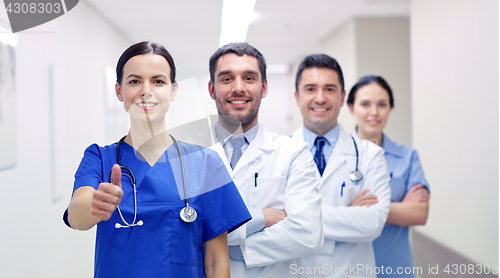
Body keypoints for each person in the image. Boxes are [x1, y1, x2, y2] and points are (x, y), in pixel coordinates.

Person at [62, 41, 251, 278]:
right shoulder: (100, 159)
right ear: (119, 91)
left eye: (158, 81)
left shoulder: (206, 164)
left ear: (173, 90)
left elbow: (216, 260)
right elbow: (76, 215)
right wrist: (94, 206)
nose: (146, 90)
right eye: (134, 81)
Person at [207, 42, 323, 277]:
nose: (238, 88)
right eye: (227, 79)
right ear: (212, 89)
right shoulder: (187, 155)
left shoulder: (293, 153)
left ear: (264, 87)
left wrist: (219, 243)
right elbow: (181, 231)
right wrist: (260, 218)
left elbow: (308, 234)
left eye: (249, 78)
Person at [291, 54, 391, 277]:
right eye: (310, 89)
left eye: (329, 89)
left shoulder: (370, 155)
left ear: (342, 97)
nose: (320, 98)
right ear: (297, 97)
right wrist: (346, 215)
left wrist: (294, 215)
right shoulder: (278, 155)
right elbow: (269, 223)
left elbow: (372, 223)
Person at [347, 75, 430, 277]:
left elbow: (420, 213)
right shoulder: (335, 155)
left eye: (382, 104)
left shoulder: (407, 157)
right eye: (365, 104)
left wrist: (359, 211)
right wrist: (398, 210)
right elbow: (326, 214)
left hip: (395, 268)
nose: (374, 112)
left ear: (390, 109)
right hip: (348, 268)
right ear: (351, 108)